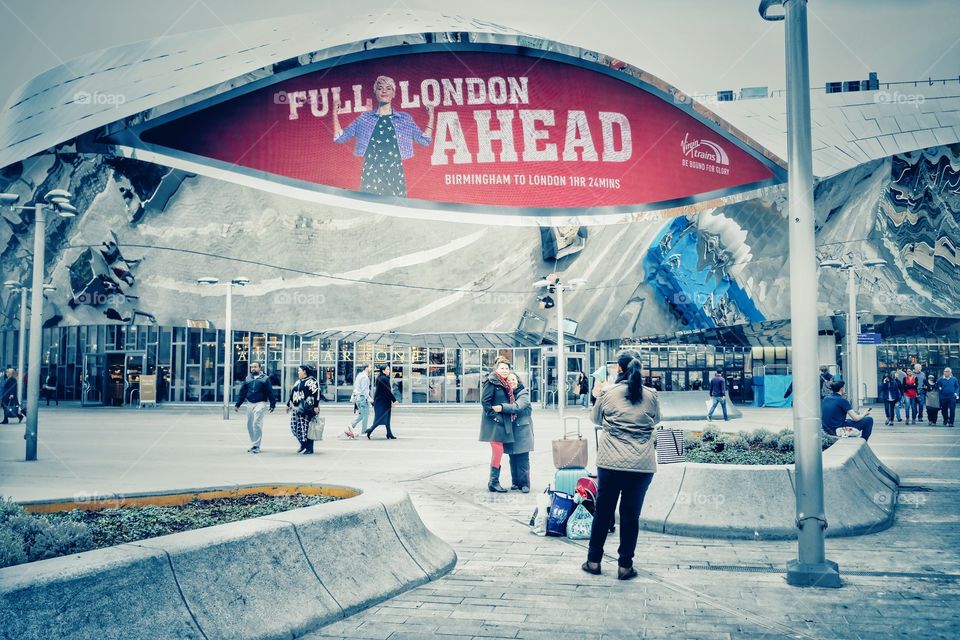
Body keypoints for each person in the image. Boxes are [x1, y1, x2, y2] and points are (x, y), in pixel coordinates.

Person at [583, 353, 659, 581]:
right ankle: (625, 566)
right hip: (641, 465)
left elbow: (595, 419)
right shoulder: (651, 395)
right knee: (630, 515)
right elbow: (656, 420)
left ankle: (593, 561)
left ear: (618, 368)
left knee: (603, 512)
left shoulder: (608, 393)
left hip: (611, 462)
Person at [333, 75, 435, 197]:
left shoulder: (404, 119)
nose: (384, 91)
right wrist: (335, 113)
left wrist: (431, 117)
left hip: (395, 172)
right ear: (375, 92)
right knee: (372, 206)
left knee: (397, 208)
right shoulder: (364, 119)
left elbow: (424, 141)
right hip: (372, 172)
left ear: (394, 94)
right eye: (380, 88)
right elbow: (340, 138)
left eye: (388, 88)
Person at [479, 356, 514, 493]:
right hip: (493, 422)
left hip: (501, 421)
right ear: (497, 369)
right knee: (498, 450)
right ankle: (493, 482)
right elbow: (485, 401)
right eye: (502, 368)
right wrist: (495, 417)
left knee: (499, 450)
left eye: (507, 368)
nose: (505, 370)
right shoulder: (492, 381)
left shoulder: (504, 383)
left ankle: (493, 482)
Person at [499, 372, 534, 493]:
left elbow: (517, 407)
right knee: (512, 457)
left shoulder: (523, 394)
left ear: (518, 381)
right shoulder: (506, 395)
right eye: (508, 380)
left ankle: (525, 484)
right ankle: (515, 482)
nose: (511, 382)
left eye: (513, 379)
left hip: (523, 431)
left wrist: (502, 407)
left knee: (523, 458)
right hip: (511, 430)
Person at [235, 362, 275, 453]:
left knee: (256, 423)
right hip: (250, 403)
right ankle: (254, 444)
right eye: (252, 367)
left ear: (259, 368)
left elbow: (270, 392)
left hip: (261, 403)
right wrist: (238, 404)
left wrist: (272, 404)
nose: (253, 368)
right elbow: (242, 392)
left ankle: (256, 446)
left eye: (255, 367)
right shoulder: (248, 378)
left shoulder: (265, 379)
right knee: (249, 425)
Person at [286, 365, 320, 454]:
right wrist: (288, 404)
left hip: (307, 409)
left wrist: (316, 406)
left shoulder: (312, 381)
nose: (298, 372)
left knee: (307, 429)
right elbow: (292, 393)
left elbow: (316, 394)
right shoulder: (297, 382)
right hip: (296, 409)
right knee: (295, 428)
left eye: (299, 370)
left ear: (304, 371)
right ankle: (303, 444)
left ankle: (309, 448)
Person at [366, 364, 397, 439]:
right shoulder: (383, 379)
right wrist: (394, 400)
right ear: (383, 371)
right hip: (382, 402)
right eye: (387, 369)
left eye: (389, 369)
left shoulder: (381, 377)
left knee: (387, 417)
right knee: (381, 417)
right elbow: (387, 391)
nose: (389, 371)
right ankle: (370, 430)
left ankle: (389, 433)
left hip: (382, 401)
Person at [346, 364, 373, 439]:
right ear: (366, 368)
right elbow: (364, 391)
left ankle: (351, 425)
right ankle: (364, 431)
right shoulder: (365, 377)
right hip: (362, 398)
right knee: (366, 415)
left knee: (362, 415)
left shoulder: (359, 375)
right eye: (370, 367)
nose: (371, 368)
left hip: (358, 398)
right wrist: (370, 399)